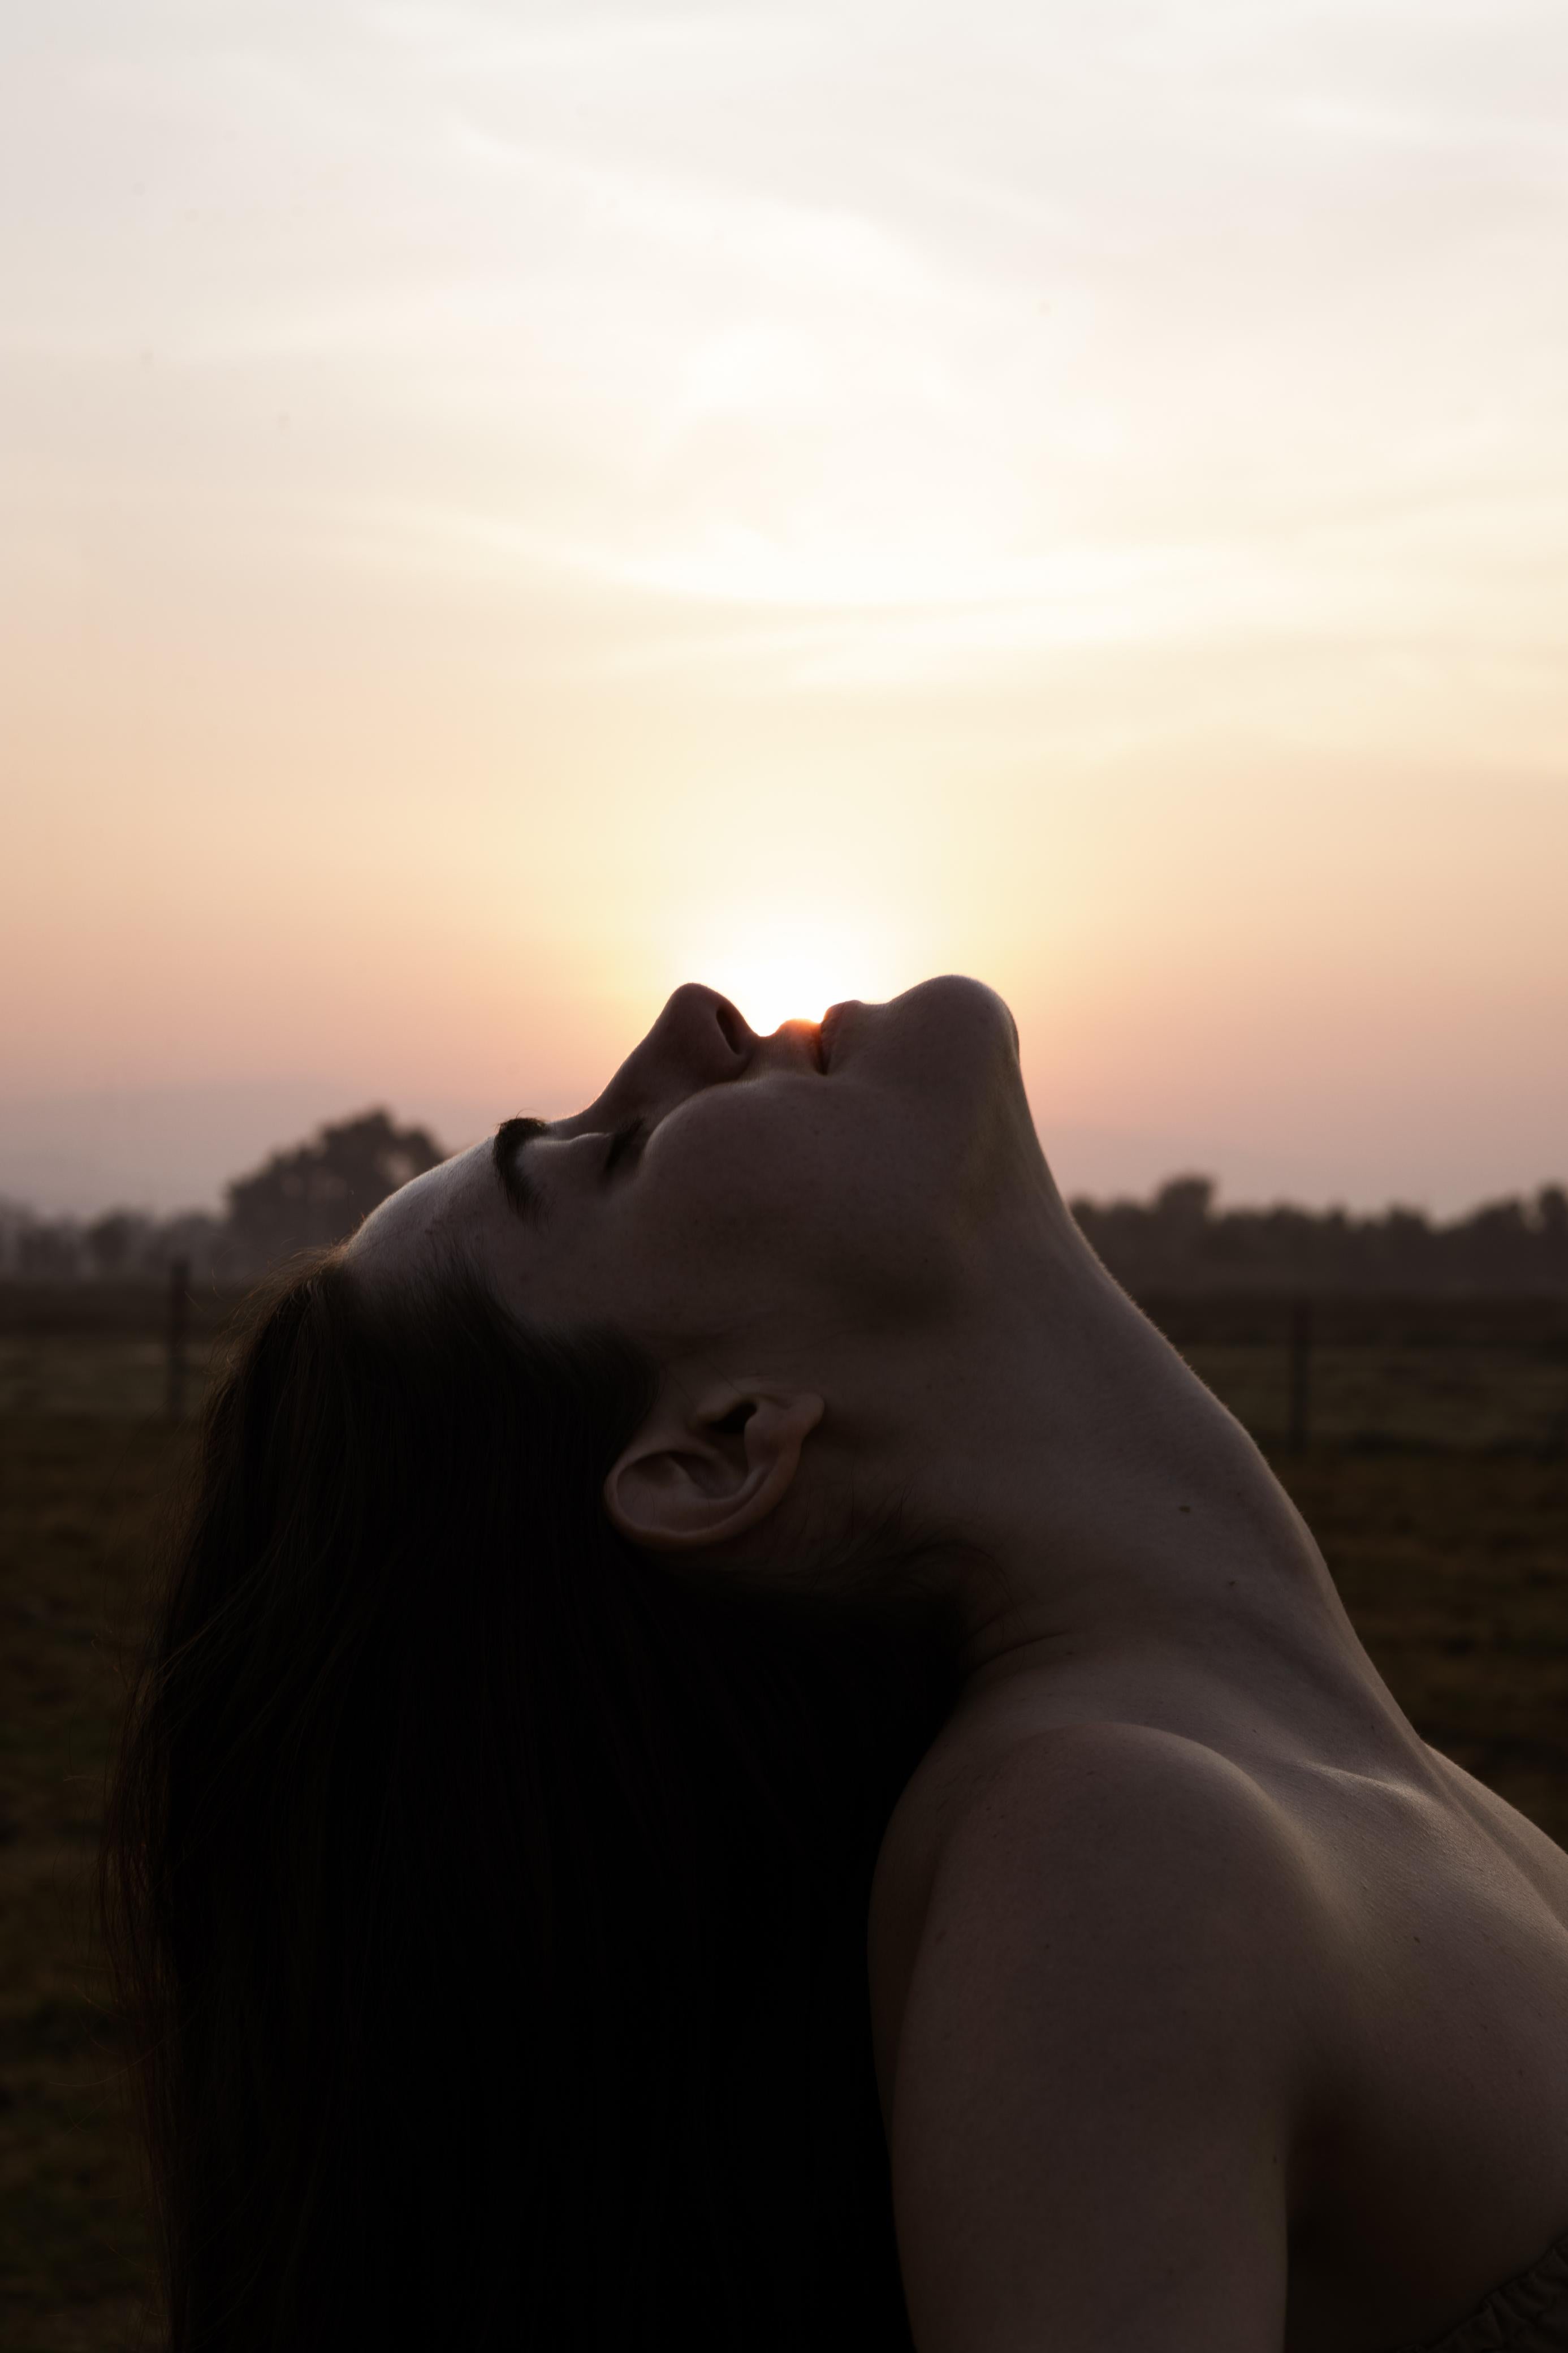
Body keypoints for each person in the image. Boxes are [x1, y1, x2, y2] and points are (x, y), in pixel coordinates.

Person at [105, 977, 1568, 2353]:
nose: (691, 1016)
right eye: (610, 1160)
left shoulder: (1354, 1802)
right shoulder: (1108, 1864)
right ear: (726, 1444)